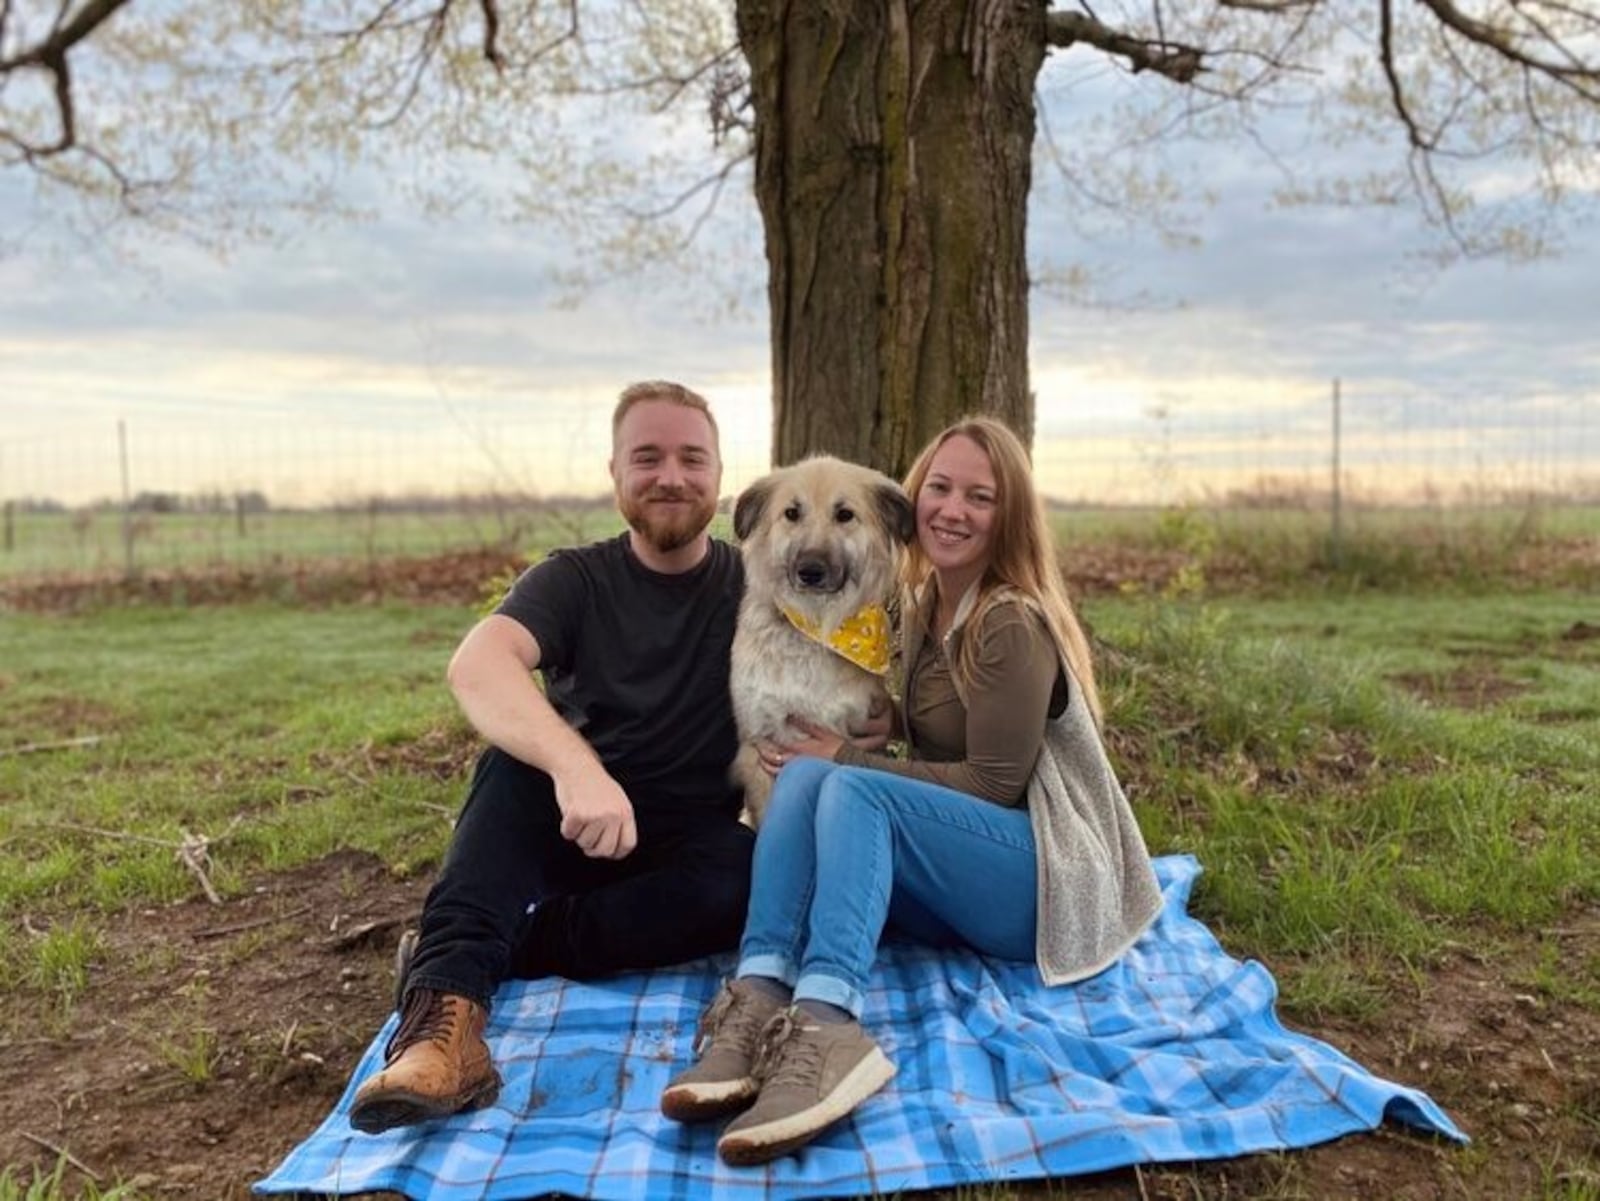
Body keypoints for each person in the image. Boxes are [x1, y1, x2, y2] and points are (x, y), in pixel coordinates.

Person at [659, 416, 1164, 1167]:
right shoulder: (926, 605)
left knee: (848, 785)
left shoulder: (1009, 620)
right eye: (942, 488)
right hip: (968, 877)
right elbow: (939, 730)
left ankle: (830, 1025)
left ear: (1009, 515)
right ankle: (759, 994)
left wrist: (852, 762)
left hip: (1042, 883)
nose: (954, 509)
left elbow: (995, 783)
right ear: (915, 499)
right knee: (803, 776)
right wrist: (875, 727)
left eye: (981, 497)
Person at [348, 380, 758, 1135]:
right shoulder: (574, 578)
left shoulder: (753, 584)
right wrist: (577, 768)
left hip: (680, 844)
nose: (671, 475)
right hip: (571, 818)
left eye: (691, 457)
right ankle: (445, 1026)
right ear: (615, 474)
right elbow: (479, 664)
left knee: (750, 870)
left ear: (719, 474)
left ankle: (511, 949)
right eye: (648, 456)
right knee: (510, 768)